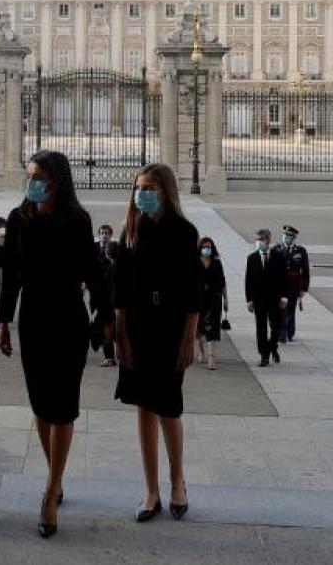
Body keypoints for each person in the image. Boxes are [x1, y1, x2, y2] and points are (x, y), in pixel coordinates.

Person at [0, 150, 108, 538]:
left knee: (63, 409)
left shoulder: (77, 220)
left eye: (38, 176)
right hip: (33, 321)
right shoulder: (18, 219)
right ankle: (55, 476)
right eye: (29, 175)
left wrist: (104, 316)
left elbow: (93, 271)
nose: (32, 182)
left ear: (57, 181)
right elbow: (10, 273)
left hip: (68, 321)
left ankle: (49, 492)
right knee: (42, 408)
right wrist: (3, 321)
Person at [113, 162, 199, 523]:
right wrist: (120, 337)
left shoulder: (184, 232)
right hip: (137, 325)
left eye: (148, 187)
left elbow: (193, 292)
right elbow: (119, 289)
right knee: (143, 408)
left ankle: (177, 479)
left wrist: (188, 339)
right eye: (138, 187)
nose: (141, 193)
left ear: (165, 191)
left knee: (168, 407)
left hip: (170, 326)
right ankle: (151, 490)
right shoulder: (130, 230)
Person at [245, 228, 288, 367]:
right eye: (257, 239)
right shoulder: (252, 258)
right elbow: (248, 280)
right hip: (259, 299)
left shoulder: (279, 256)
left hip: (275, 298)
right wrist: (249, 300)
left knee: (276, 327)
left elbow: (284, 278)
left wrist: (284, 297)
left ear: (268, 240)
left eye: (261, 239)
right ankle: (264, 355)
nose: (258, 242)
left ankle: (273, 346)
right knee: (261, 328)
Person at [196, 236, 228, 370]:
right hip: (198, 299)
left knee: (213, 327)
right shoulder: (194, 262)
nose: (206, 249)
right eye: (204, 247)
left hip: (214, 298)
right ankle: (202, 352)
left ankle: (211, 357)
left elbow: (222, 283)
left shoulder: (217, 263)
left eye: (208, 247)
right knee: (199, 327)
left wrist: (226, 300)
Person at [275, 225, 310, 344]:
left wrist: (304, 288)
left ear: (294, 238)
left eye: (289, 236)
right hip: (279, 284)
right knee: (280, 309)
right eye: (285, 235)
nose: (286, 237)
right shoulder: (277, 249)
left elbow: (305, 270)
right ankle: (281, 333)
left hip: (293, 284)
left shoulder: (300, 251)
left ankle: (289, 333)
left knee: (291, 309)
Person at [94, 240, 118, 367]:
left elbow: (106, 290)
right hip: (116, 306)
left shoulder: (111, 269)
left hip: (110, 307)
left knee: (106, 331)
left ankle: (109, 357)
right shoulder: (119, 268)